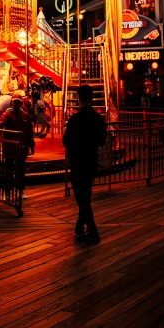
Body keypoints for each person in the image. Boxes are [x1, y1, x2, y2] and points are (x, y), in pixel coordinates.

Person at [63, 84, 106, 242]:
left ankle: (93, 230)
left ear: (79, 99)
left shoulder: (75, 119)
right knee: (85, 195)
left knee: (81, 197)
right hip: (91, 160)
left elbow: (66, 140)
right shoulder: (98, 119)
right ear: (92, 98)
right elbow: (101, 140)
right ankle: (79, 227)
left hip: (77, 161)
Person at [0, 93, 35, 199]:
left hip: (21, 147)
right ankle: (7, 192)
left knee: (20, 170)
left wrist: (31, 144)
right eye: (15, 102)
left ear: (21, 103)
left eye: (18, 102)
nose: (16, 104)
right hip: (10, 147)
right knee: (8, 169)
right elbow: (1, 121)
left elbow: (30, 132)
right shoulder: (7, 114)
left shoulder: (25, 115)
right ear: (11, 103)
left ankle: (20, 191)